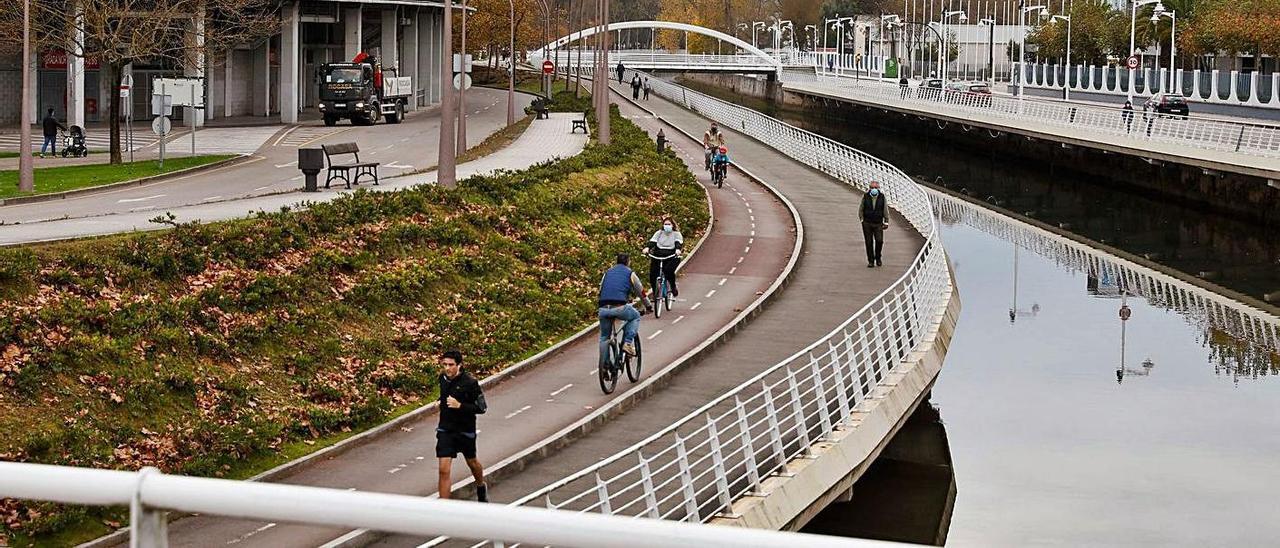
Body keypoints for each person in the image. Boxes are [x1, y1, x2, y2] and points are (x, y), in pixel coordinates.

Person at [435, 350, 488, 502]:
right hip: (445, 429)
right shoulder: (443, 379)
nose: (447, 368)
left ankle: (480, 485)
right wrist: (440, 401)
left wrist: (460, 406)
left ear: (459, 365)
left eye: (451, 365)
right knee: (443, 470)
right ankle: (444, 508)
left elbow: (481, 408)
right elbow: (445, 394)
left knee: (472, 462)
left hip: (465, 430)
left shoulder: (470, 383)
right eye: (444, 364)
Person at [598, 253, 649, 359]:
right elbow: (641, 292)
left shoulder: (607, 273)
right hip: (619, 307)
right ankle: (628, 343)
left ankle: (605, 367)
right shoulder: (630, 273)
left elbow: (601, 289)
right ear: (628, 262)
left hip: (603, 308)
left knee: (604, 337)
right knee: (635, 316)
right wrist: (648, 306)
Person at [646, 218, 684, 298]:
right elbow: (653, 242)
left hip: (672, 255)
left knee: (668, 271)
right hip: (658, 255)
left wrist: (677, 250)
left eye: (669, 224)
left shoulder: (676, 234)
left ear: (673, 225)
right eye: (665, 224)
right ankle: (655, 292)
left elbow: (678, 243)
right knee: (653, 274)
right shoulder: (659, 233)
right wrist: (647, 248)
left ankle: (673, 287)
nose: (667, 226)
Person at [859, 181, 889, 268]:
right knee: (869, 242)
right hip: (867, 222)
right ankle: (871, 261)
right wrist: (862, 220)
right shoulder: (865, 196)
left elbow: (885, 209)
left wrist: (886, 221)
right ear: (869, 188)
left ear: (878, 188)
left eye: (876, 188)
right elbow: (861, 208)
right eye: (872, 188)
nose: (874, 190)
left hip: (878, 223)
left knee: (879, 240)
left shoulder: (882, 197)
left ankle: (878, 257)